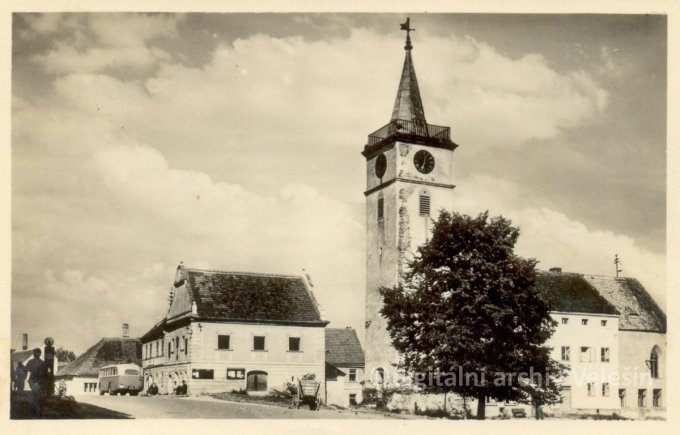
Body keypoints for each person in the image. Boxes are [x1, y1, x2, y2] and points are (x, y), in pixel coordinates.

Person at [25, 349, 46, 416]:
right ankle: (37, 411)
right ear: (33, 353)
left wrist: (41, 381)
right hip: (32, 380)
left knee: (37, 396)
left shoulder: (42, 363)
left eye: (37, 353)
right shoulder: (30, 362)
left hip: (40, 381)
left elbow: (45, 374)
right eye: (35, 353)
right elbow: (25, 369)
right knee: (35, 395)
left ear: (40, 354)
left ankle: (37, 410)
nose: (36, 354)